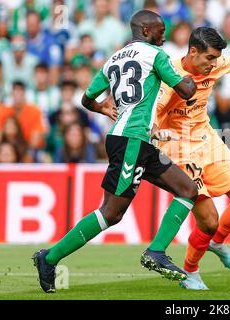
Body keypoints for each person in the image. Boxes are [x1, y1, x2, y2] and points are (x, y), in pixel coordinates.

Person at [32, 10, 198, 294]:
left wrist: (102, 108)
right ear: (146, 31)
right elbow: (185, 91)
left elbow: (86, 98)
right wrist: (194, 69)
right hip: (131, 141)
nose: (164, 35)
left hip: (137, 141)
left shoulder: (113, 59)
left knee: (188, 189)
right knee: (111, 212)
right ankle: (49, 258)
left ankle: (156, 251)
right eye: (160, 30)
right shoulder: (155, 55)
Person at [152, 26, 230, 290]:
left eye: (216, 59)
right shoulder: (170, 76)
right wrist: (153, 132)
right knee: (208, 219)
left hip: (207, 139)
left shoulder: (214, 63)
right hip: (177, 147)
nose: (214, 64)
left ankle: (216, 242)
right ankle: (190, 272)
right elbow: (155, 109)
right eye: (209, 59)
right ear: (193, 52)